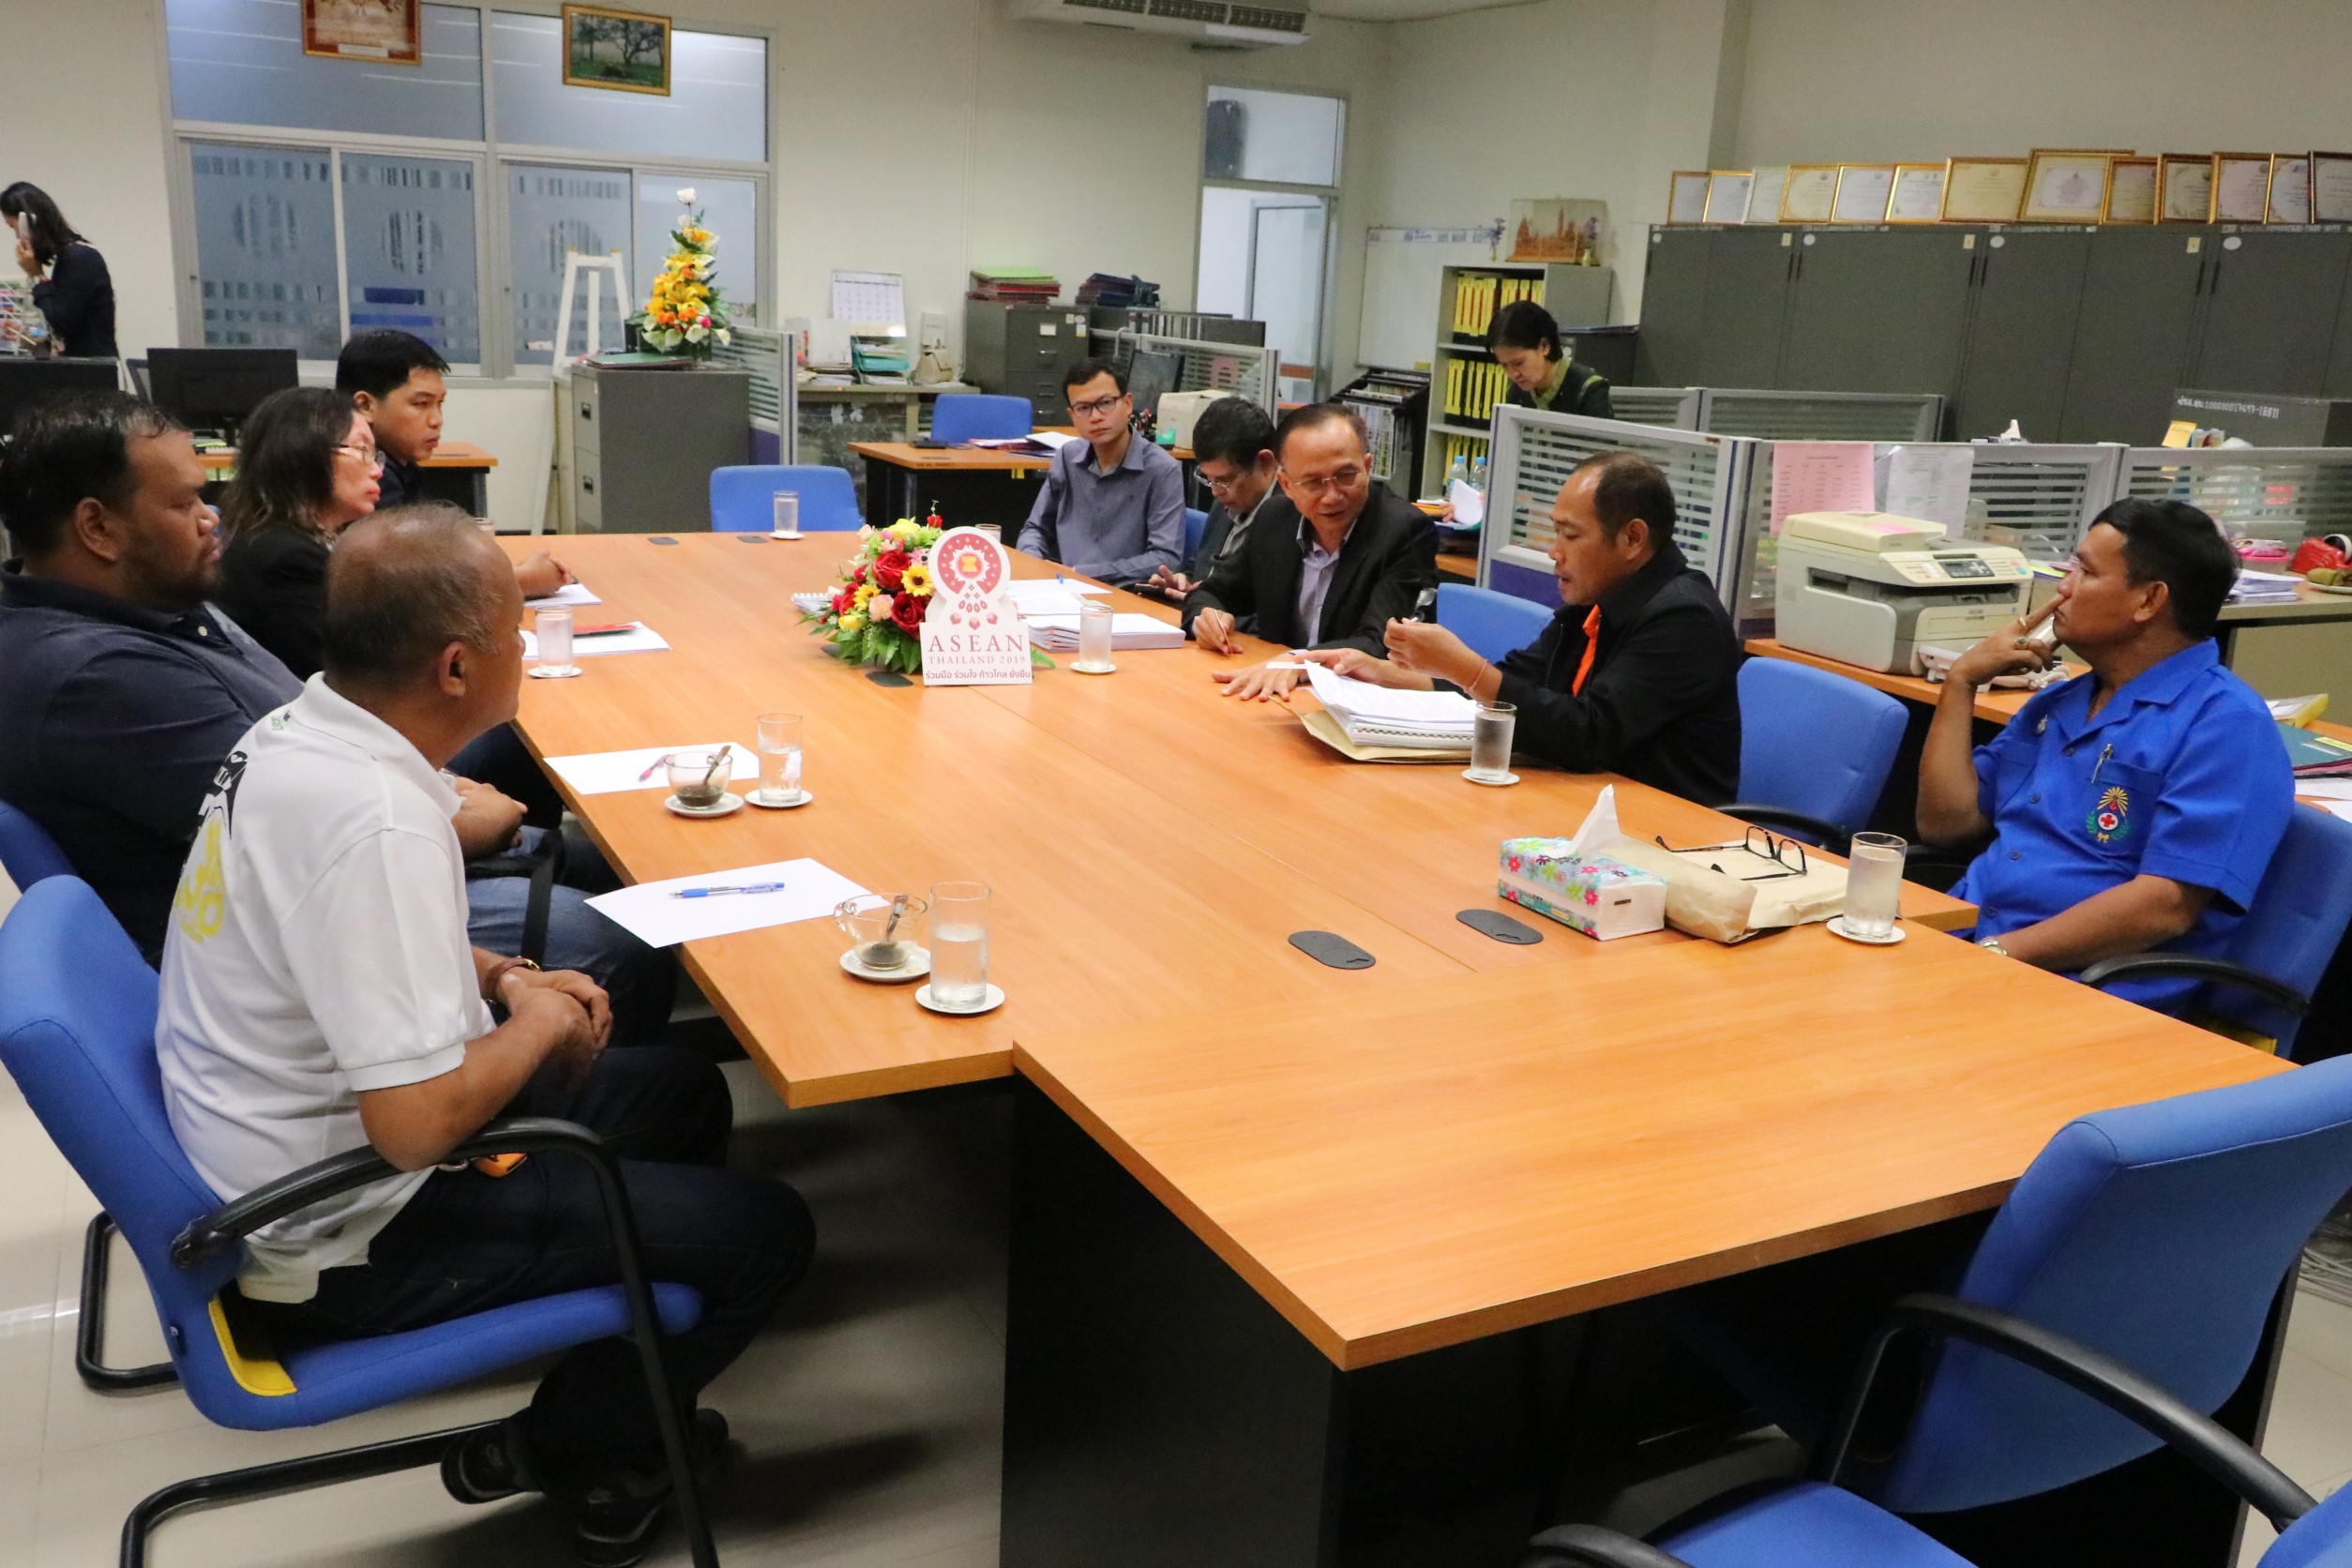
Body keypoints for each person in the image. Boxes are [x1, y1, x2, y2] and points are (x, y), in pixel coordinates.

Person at [157, 506, 814, 1567]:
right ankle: (570, 1446)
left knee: (686, 1093)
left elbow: (341, 937)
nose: (529, 646)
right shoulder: (373, 818)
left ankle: (628, 1382)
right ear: (458, 666)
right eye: (517, 630)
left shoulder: (305, 734)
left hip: (290, 1146)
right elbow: (416, 1126)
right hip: (348, 1229)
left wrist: (506, 975)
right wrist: (543, 1018)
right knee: (770, 1233)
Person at [0, 394, 671, 1039]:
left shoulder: (157, 605)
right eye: (185, 503)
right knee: (613, 941)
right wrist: (462, 814)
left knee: (612, 862)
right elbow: (312, 832)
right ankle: (577, 1086)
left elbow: (308, 719)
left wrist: (439, 791)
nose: (212, 520)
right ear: (97, 528)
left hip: (347, 848)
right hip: (302, 931)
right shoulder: (99, 678)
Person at [1917, 497, 2294, 1016]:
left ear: (2148, 600)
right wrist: (1961, 681)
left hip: (2084, 991)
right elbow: (1945, 825)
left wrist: (1996, 954)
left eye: (2086, 572)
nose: (2063, 587)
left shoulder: (2227, 724)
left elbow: (2165, 906)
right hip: (1969, 944)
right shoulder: (2061, 700)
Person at [1304, 452, 1741, 805]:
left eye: (1570, 536)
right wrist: (1389, 674)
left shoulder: (1684, 619)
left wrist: (1466, 668)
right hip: (1582, 799)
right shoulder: (1600, 599)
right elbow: (1519, 681)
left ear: (1632, 539)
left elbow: (1589, 734)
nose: (1554, 552)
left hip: (1662, 829)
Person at [217, 386, 574, 677]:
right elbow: (351, 677)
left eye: (376, 456)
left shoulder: (303, 538)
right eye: (362, 451)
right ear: (303, 455)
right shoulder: (285, 558)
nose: (376, 470)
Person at [1182, 403, 1438, 701]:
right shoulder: (1275, 519)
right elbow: (1213, 592)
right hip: (1280, 695)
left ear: (1367, 468)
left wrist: (1297, 662)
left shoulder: (1404, 531)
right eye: (1313, 482)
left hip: (1358, 702)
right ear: (1286, 484)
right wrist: (1206, 619)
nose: (1332, 496)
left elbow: (1380, 644)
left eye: (1346, 475)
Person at [337, 329, 559, 603]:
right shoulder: (368, 479)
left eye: (439, 404)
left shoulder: (401, 467)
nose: (436, 420)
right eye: (421, 404)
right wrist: (522, 580)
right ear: (364, 405)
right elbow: (407, 586)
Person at [1015, 357, 1184, 586]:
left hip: (1126, 595)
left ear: (1128, 403)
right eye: (1083, 408)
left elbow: (1165, 558)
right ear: (1071, 415)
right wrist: (1033, 564)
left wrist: (1083, 573)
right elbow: (1035, 529)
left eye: (1105, 403)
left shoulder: (1163, 470)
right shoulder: (1067, 457)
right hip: (1062, 588)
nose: (1095, 417)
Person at [1139, 395, 1293, 611]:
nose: (1214, 491)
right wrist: (1183, 583)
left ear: (1265, 462)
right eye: (1208, 479)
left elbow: (1269, 616)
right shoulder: (1227, 499)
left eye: (1223, 480)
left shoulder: (1290, 519)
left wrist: (1205, 607)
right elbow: (1200, 567)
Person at [1, 182, 115, 359]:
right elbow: (62, 332)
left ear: (28, 223)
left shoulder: (79, 257)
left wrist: (36, 274)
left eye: (14, 227)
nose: (17, 236)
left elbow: (60, 323)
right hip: (79, 366)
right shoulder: (67, 258)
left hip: (94, 370)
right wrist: (26, 335)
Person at [1491, 300, 1611, 419]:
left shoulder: (1589, 390)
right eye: (1504, 365)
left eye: (1518, 363)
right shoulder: (1515, 393)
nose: (1513, 374)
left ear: (1544, 346)